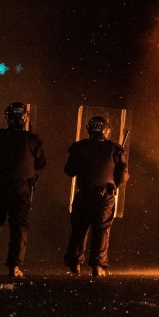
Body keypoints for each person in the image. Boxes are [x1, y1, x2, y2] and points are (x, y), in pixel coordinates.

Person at [0, 102, 46, 277]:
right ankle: (14, 267)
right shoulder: (31, 140)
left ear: (7, 118)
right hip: (21, 188)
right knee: (19, 227)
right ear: (25, 118)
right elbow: (41, 163)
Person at [63, 115, 128, 276]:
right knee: (102, 231)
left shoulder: (80, 147)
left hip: (84, 194)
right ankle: (97, 267)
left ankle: (75, 264)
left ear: (88, 129)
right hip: (104, 196)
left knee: (79, 230)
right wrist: (114, 186)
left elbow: (69, 170)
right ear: (106, 130)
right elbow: (123, 175)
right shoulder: (115, 150)